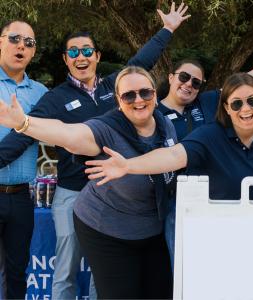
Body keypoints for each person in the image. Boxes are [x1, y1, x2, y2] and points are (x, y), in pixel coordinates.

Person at [0, 2, 189, 298]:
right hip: (73, 192)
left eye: (87, 50)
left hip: (116, 195)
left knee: (103, 277)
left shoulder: (117, 88)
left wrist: (167, 29)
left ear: (97, 56)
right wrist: (20, 127)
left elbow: (143, 62)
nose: (81, 57)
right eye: (73, 52)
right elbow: (34, 133)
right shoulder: (54, 98)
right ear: (65, 59)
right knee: (66, 270)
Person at [83, 72, 253, 200]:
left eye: (252, 101)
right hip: (212, 227)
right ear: (226, 108)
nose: (246, 109)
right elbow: (173, 156)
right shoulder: (209, 136)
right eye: (237, 103)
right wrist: (128, 165)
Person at [0, 20, 48, 299]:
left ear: (33, 52)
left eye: (28, 42)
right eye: (15, 38)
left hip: (21, 198)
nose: (21, 45)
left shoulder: (41, 93)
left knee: (17, 272)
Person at [158, 58, 218, 265]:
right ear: (171, 77)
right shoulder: (153, 113)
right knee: (183, 265)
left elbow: (245, 85)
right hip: (175, 200)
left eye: (196, 82)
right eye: (184, 77)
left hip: (212, 197)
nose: (188, 84)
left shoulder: (205, 103)